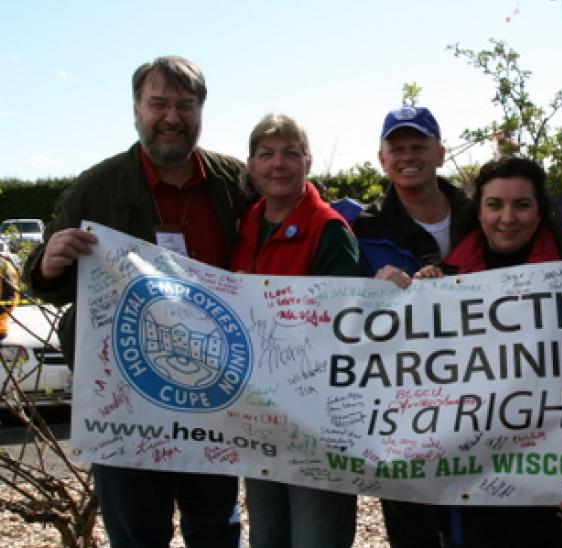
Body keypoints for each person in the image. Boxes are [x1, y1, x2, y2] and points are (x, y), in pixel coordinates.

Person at [23, 55, 253, 548]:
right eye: (159, 104)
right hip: (124, 402)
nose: (172, 117)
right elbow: (51, 283)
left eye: (185, 105)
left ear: (202, 110)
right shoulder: (96, 188)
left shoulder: (235, 183)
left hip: (212, 398)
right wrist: (48, 265)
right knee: (136, 532)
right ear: (136, 108)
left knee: (216, 527)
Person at [413, 155, 562, 548]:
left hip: (551, 492)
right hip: (471, 488)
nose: (507, 218)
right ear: (478, 212)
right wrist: (403, 295)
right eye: (495, 204)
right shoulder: (443, 281)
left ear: (540, 212)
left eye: (522, 204)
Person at [230, 113, 360, 548]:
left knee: (315, 537)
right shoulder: (247, 223)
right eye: (266, 154)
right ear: (252, 165)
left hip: (317, 420)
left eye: (290, 153)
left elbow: (346, 327)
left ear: (307, 161)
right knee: (268, 537)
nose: (278, 164)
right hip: (259, 414)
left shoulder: (328, 229)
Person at [345, 105, 471, 547]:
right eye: (396, 149)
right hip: (402, 413)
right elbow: (342, 315)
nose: (407, 157)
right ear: (382, 160)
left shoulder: (482, 213)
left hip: (482, 401)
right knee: (412, 530)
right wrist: (370, 293)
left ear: (440, 153)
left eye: (418, 146)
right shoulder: (363, 229)